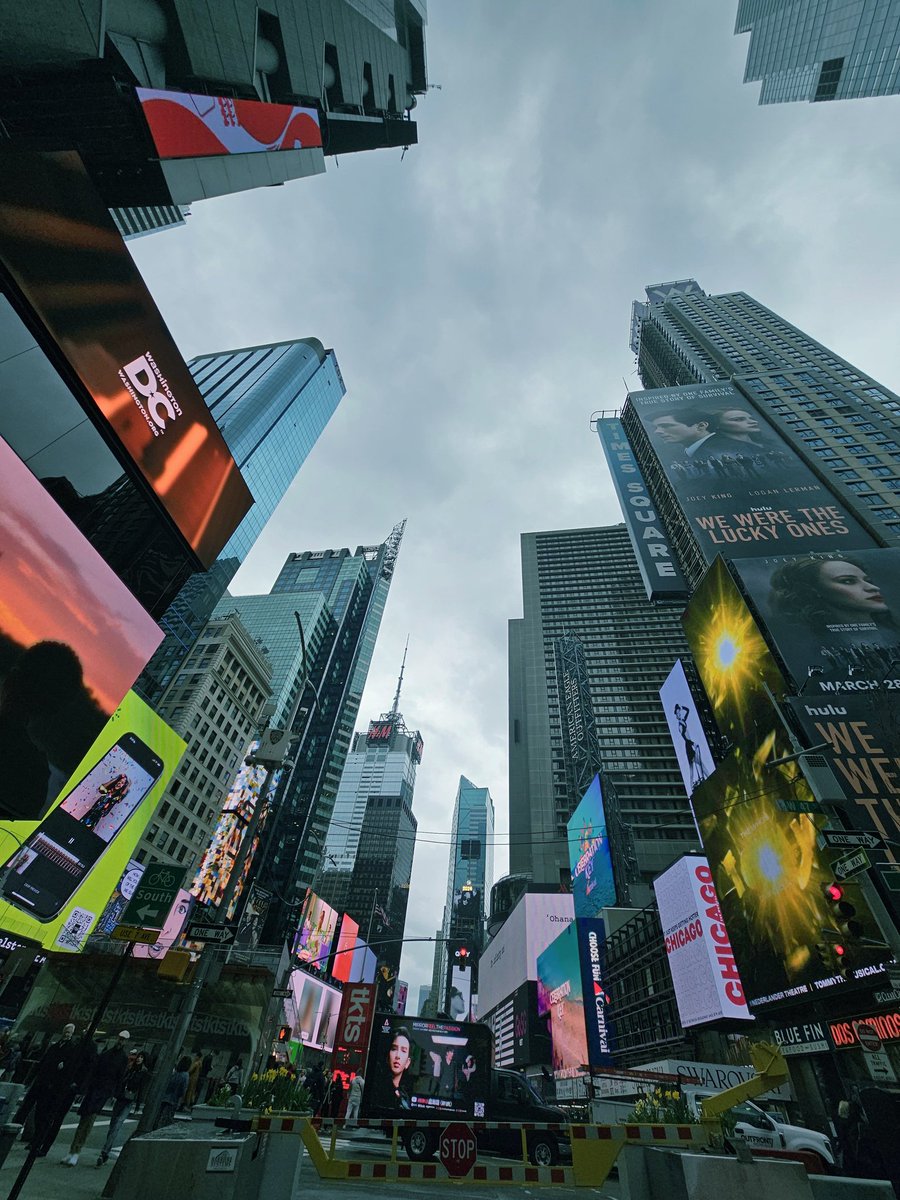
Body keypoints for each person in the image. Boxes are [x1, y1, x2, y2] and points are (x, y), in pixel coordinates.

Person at [768, 554, 899, 676]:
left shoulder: (893, 632)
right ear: (814, 590)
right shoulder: (808, 651)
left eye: (867, 580)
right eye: (848, 581)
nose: (872, 587)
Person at [16, 1022, 96, 1158]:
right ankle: (38, 1142)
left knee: (55, 1118)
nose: (85, 1031)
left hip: (68, 1087)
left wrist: (78, 1087)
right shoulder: (74, 1045)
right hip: (59, 1085)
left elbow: (87, 1069)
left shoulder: (87, 1047)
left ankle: (43, 1146)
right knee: (46, 1115)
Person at [62, 1030, 130, 1166]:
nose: (120, 1041)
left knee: (88, 1120)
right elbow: (96, 1072)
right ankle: (73, 1150)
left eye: (123, 1039)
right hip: (96, 1090)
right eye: (120, 1038)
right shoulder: (109, 1055)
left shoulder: (119, 1057)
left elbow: (119, 1078)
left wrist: (113, 1093)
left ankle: (76, 1151)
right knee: (84, 1119)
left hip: (102, 1092)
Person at [96, 1049, 148, 1166]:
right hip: (120, 1098)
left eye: (141, 1057)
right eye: (139, 1057)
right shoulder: (129, 1068)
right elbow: (120, 1082)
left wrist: (138, 1105)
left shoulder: (143, 1073)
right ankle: (106, 1152)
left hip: (128, 1100)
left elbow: (140, 1090)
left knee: (117, 1125)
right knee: (112, 1125)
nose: (139, 1059)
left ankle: (104, 1152)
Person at [376, 1029, 412, 1111]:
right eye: (394, 1049)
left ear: (407, 1062)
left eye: (403, 1051)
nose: (398, 1056)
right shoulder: (378, 1089)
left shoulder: (405, 1096)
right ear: (388, 1057)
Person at [155, 1056, 191, 1129]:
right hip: (174, 1098)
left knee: (158, 1114)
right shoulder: (185, 1075)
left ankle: (155, 1126)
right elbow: (183, 1088)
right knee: (168, 1116)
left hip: (165, 1095)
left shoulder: (175, 1072)